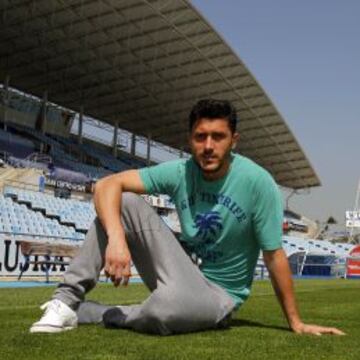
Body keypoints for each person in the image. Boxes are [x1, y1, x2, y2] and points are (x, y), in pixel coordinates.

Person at [30, 99, 344, 336]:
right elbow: (106, 185)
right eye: (200, 136)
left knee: (163, 311)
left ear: (234, 140)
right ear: (190, 138)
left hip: (219, 298)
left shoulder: (257, 182)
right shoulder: (181, 171)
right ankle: (66, 302)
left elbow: (274, 256)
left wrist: (296, 322)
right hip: (183, 273)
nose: (208, 146)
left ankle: (105, 313)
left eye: (218, 137)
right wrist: (116, 238)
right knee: (121, 199)